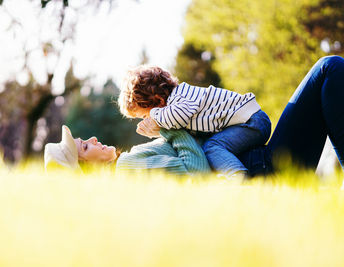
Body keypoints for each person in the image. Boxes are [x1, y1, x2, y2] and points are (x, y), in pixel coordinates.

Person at [44, 56, 344, 182]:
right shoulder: (126, 166)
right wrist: (169, 127)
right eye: (85, 147)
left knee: (328, 78)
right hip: (263, 166)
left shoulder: (129, 165)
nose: (94, 139)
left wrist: (168, 125)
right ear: (89, 170)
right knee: (328, 69)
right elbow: (197, 169)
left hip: (263, 161)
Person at [117, 65, 271, 177]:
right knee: (213, 146)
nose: (148, 119)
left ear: (157, 100)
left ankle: (238, 178)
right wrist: (158, 132)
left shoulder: (181, 97)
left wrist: (155, 117)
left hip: (251, 121)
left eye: (145, 116)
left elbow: (176, 117)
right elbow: (183, 129)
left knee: (212, 147)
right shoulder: (177, 106)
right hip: (247, 123)